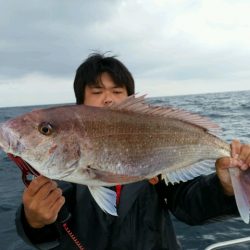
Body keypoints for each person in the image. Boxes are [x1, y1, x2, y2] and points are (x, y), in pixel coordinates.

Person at [15, 53, 250, 250]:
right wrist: (34, 221)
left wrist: (226, 187)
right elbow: (48, 235)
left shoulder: (155, 153)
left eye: (117, 91)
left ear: (130, 100)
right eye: (97, 92)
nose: (108, 99)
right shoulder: (57, 169)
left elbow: (190, 207)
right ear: (80, 106)